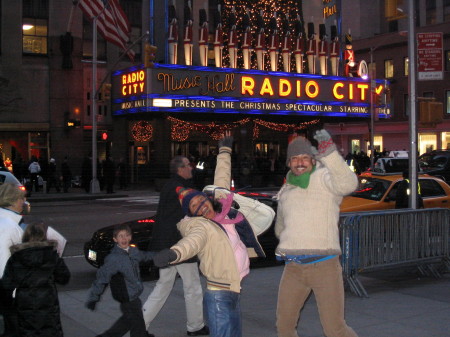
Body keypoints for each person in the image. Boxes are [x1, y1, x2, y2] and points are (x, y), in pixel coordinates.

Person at [153, 133, 271, 337]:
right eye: (194, 207)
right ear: (192, 213)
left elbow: (222, 180)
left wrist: (225, 151)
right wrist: (174, 254)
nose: (200, 206)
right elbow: (192, 241)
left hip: (234, 289)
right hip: (219, 295)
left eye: (200, 200)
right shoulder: (201, 225)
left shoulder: (223, 211)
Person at [275, 130, 359, 337]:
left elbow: (348, 184)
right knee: (284, 326)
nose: (300, 162)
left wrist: (329, 154)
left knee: (334, 329)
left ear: (313, 160)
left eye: (304, 157)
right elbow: (281, 226)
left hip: (324, 266)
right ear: (289, 163)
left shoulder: (324, 177)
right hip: (293, 267)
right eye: (294, 158)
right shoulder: (287, 188)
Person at [142, 155, 209, 336]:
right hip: (180, 246)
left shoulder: (170, 186)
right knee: (192, 286)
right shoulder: (180, 188)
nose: (191, 168)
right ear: (180, 169)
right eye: (188, 165)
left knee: (163, 285)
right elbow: (196, 206)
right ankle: (195, 326)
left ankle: (140, 326)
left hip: (165, 245)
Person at [2, 221, 71, 337]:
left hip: (24, 302)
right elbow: (64, 278)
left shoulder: (16, 257)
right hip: (47, 301)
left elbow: (6, 285)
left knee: (27, 331)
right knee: (50, 329)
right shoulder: (51, 256)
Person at [85, 223, 155, 337]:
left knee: (129, 320)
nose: (124, 238)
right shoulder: (113, 259)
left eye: (127, 235)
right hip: (126, 296)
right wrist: (94, 297)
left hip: (133, 294)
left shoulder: (133, 251)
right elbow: (102, 278)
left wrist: (162, 255)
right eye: (121, 236)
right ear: (115, 239)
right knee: (135, 320)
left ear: (131, 237)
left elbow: (145, 256)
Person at [0, 183, 27, 336]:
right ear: (13, 201)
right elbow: (6, 263)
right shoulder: (10, 227)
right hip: (8, 290)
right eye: (22, 198)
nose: (24, 201)